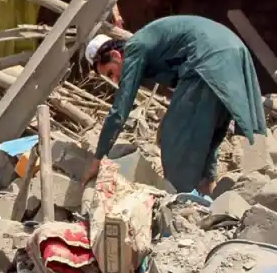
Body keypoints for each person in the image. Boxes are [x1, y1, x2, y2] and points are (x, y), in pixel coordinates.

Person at [82, 15, 267, 195]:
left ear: (115, 55)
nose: (115, 80)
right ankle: (207, 189)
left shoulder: (134, 49)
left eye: (110, 73)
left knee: (173, 136)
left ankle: (181, 199)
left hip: (208, 58)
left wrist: (99, 158)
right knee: (205, 130)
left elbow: (119, 111)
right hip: (230, 50)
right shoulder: (149, 44)